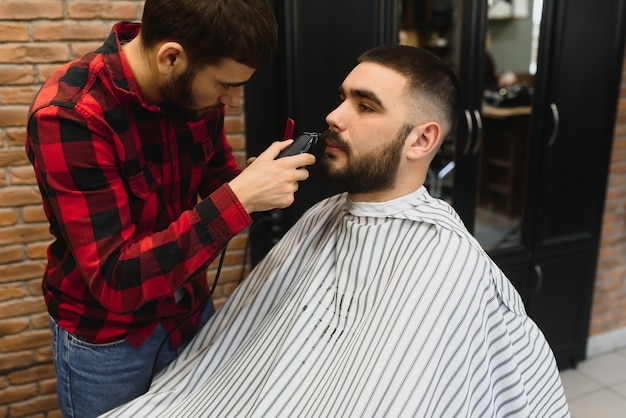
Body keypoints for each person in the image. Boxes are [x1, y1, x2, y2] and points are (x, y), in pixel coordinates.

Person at [103, 45, 570, 417]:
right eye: (343, 97)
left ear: (422, 139)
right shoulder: (323, 215)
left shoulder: (449, 264)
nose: (334, 116)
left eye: (365, 106)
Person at [24, 0, 315, 416]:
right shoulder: (71, 117)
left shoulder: (193, 93)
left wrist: (250, 182)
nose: (232, 102)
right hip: (111, 341)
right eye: (225, 85)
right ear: (171, 57)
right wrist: (239, 199)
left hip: (189, 306)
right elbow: (114, 279)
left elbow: (215, 173)